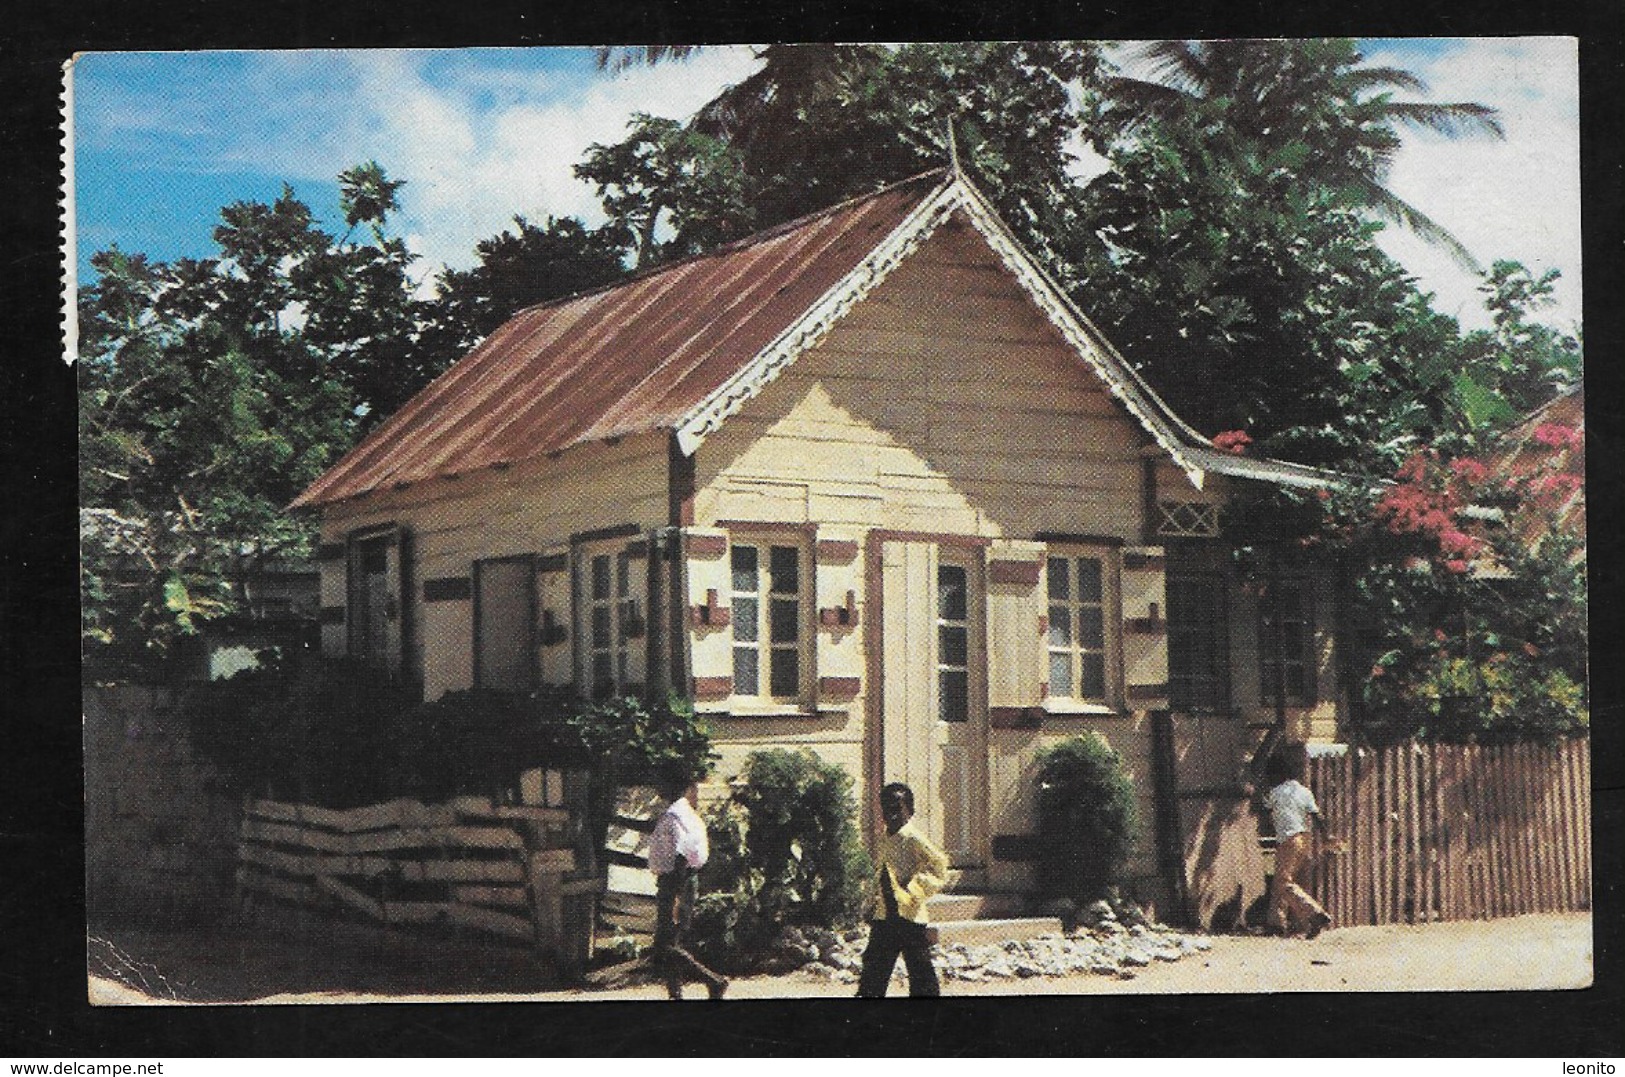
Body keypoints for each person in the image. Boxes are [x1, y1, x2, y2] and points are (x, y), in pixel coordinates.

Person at [857, 782, 950, 998]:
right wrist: (871, 903)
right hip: (885, 915)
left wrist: (915, 886)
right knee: (875, 967)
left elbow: (939, 866)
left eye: (897, 810)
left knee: (920, 968)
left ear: (910, 811)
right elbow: (880, 872)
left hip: (909, 915)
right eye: (887, 809)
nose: (892, 815)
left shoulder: (913, 838)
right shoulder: (884, 838)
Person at [647, 765, 729, 1000]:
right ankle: (675, 992)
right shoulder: (686, 815)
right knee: (671, 940)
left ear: (674, 787)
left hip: (676, 881)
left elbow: (681, 856)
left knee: (666, 945)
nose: (658, 788)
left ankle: (714, 980)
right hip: (678, 880)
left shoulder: (676, 817)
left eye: (662, 784)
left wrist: (675, 895)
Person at [1262, 753, 1334, 939]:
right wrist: (1327, 836)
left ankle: (1314, 913)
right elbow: (1318, 817)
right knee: (1283, 879)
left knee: (1283, 882)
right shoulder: (1304, 791)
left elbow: (1263, 809)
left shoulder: (1276, 792)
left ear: (1277, 774)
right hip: (1304, 839)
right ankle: (1275, 923)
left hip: (1288, 839)